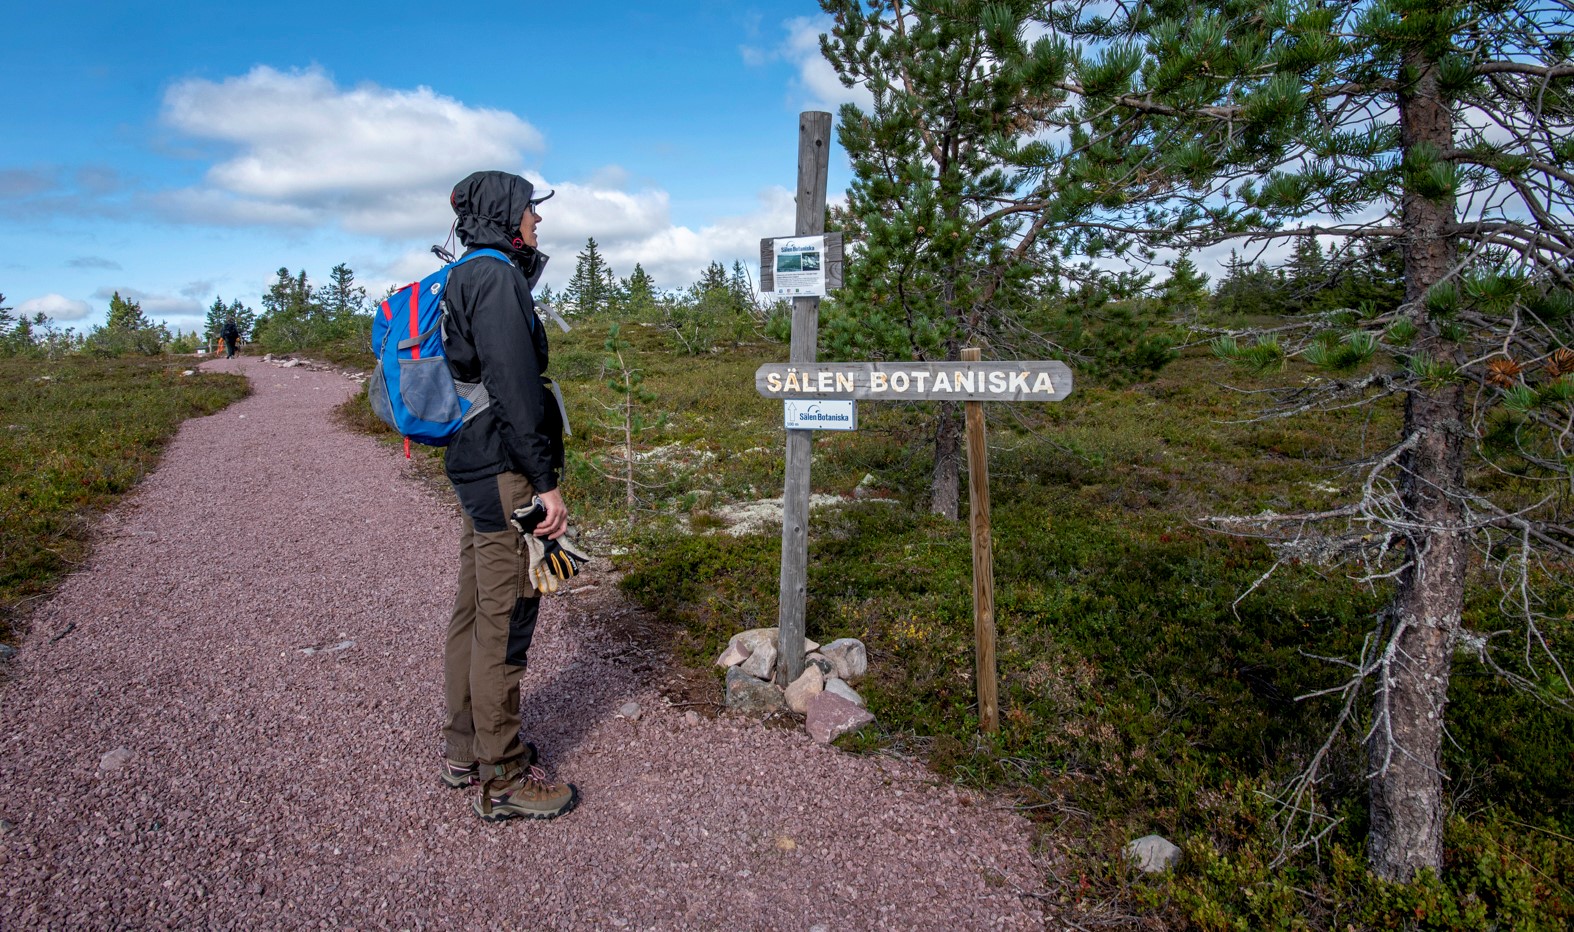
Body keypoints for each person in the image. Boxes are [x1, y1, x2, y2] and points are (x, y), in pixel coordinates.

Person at [437, 170, 578, 822]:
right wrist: (544, 483)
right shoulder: (495, 278)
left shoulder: (467, 273)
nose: (537, 221)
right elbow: (517, 390)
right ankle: (502, 775)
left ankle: (465, 747)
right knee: (507, 610)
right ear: (504, 213)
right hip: (504, 467)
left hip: (475, 462)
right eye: (530, 210)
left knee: (475, 605)